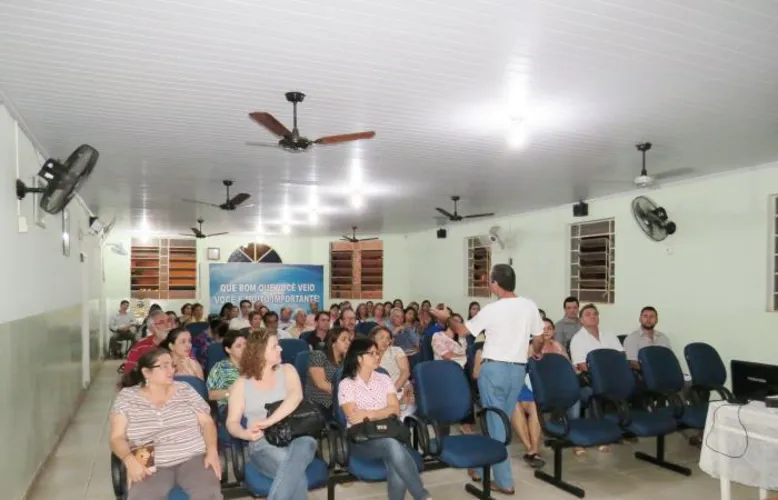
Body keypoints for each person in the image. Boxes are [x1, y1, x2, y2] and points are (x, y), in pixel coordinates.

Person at [441, 264, 543, 495]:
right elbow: (538, 339)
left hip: (495, 370)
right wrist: (534, 350)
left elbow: (463, 330)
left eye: (490, 281)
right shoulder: (529, 306)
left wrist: (447, 318)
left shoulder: (492, 309)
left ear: (496, 284)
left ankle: (505, 481)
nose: (490, 285)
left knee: (496, 424)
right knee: (497, 420)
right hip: (517, 370)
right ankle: (478, 465)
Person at [109, 349, 222, 499]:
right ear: (146, 372)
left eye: (172, 365)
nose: (171, 370)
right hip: (148, 458)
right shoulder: (127, 397)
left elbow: (207, 422)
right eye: (164, 366)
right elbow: (116, 438)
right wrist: (129, 460)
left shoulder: (185, 389)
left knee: (208, 494)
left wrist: (212, 451)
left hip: (192, 454)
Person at [226, 330, 317, 499]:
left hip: (298, 435)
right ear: (260, 352)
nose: (281, 349)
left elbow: (295, 397)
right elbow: (232, 422)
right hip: (263, 443)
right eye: (275, 346)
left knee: (302, 449)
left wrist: (267, 422)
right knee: (294, 473)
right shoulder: (241, 384)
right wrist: (244, 433)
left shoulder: (288, 370)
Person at [338, 337, 431, 500]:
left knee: (394, 455)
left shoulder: (384, 378)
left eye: (377, 353)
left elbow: (394, 410)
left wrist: (369, 413)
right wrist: (383, 411)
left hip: (388, 433)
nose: (377, 357)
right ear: (359, 358)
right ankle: (422, 496)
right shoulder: (346, 384)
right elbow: (354, 419)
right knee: (393, 446)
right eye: (372, 354)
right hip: (361, 440)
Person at [304, 326, 351, 414]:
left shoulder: (345, 360)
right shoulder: (318, 355)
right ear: (333, 343)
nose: (348, 342)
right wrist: (346, 393)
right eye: (344, 339)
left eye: (349, 340)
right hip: (320, 403)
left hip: (339, 401)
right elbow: (321, 384)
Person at [206, 330, 247, 410]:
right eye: (238, 346)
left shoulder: (254, 364)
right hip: (229, 408)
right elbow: (208, 394)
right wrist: (229, 392)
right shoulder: (220, 367)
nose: (244, 348)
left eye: (245, 344)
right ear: (228, 349)